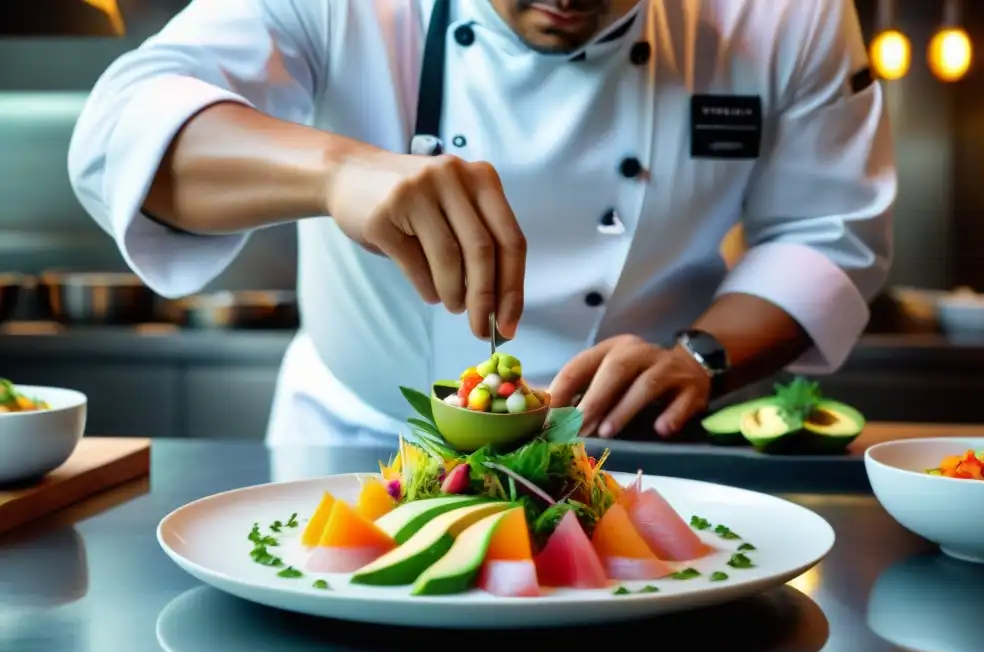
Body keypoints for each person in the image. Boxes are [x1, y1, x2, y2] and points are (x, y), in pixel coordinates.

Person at [68, 0, 895, 446]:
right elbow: (122, 132)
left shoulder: (789, 14)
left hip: (630, 451)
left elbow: (829, 234)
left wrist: (700, 359)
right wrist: (339, 172)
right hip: (357, 443)